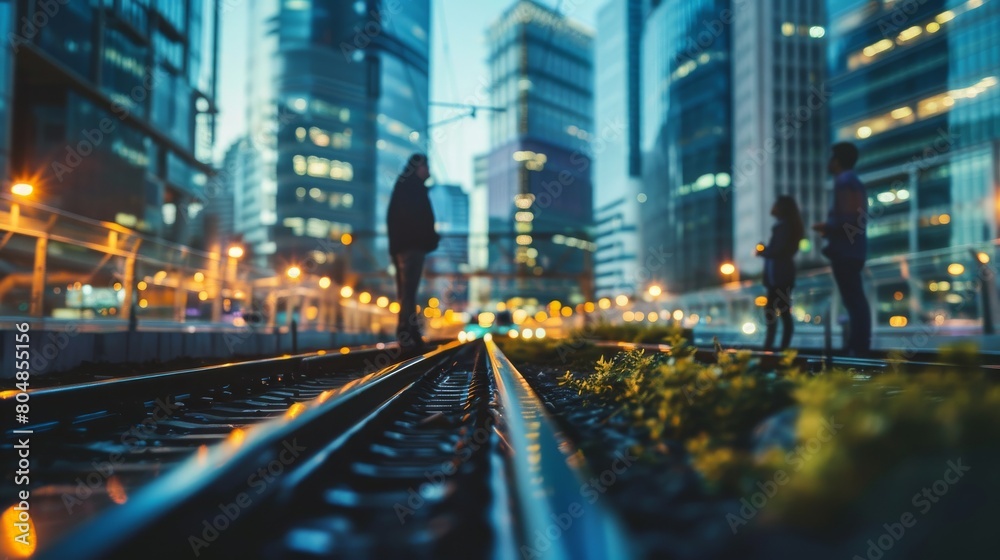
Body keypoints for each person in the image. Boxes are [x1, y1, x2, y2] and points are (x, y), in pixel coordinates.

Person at [812, 142, 871, 356]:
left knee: (853, 300)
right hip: (853, 250)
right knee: (854, 300)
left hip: (846, 251)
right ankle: (858, 345)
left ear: (836, 160)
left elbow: (851, 218)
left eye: (831, 157)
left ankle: (857, 347)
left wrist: (828, 227)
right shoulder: (852, 181)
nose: (828, 162)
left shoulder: (844, 181)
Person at [387, 154, 439, 350]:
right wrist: (429, 239)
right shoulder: (414, 189)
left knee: (405, 291)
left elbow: (393, 219)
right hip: (412, 247)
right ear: (418, 168)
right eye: (426, 167)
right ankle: (408, 332)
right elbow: (420, 220)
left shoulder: (402, 187)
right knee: (409, 291)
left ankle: (408, 331)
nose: (429, 171)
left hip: (401, 247)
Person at [756, 195, 804, 351]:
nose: (773, 207)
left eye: (776, 204)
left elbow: (779, 251)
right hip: (780, 278)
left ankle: (772, 348)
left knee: (775, 312)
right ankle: (778, 349)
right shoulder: (786, 226)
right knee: (781, 312)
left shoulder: (784, 227)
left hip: (780, 278)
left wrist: (764, 252)